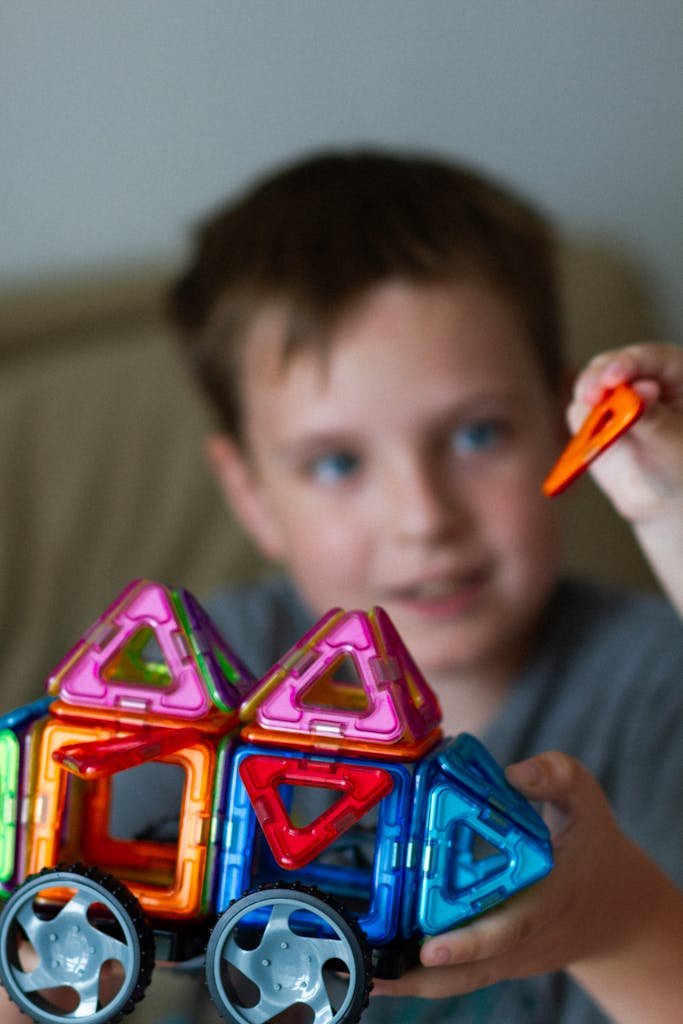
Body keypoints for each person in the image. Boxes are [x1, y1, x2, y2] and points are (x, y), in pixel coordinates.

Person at [163, 149, 683, 1024]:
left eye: (477, 435)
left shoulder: (652, 684)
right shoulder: (204, 674)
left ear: (569, 427)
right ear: (251, 494)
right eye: (336, 462)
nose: (424, 517)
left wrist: (613, 922)